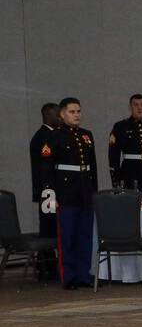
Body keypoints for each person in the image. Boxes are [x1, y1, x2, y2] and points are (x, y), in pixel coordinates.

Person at [39, 97, 99, 289]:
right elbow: (46, 168)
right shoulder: (54, 136)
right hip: (66, 193)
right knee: (67, 237)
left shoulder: (86, 135)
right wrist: (50, 195)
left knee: (85, 235)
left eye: (78, 111)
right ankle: (69, 276)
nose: (76, 115)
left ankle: (83, 274)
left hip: (84, 191)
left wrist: (93, 192)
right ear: (62, 114)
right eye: (72, 112)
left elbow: (93, 168)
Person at [28, 102, 60, 280]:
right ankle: (46, 266)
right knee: (48, 228)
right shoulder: (43, 137)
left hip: (50, 191)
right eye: (57, 114)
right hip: (48, 192)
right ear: (48, 115)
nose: (60, 117)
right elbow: (44, 169)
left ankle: (49, 264)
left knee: (52, 227)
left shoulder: (51, 135)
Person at [108, 94, 142, 195]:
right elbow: (114, 155)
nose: (139, 108)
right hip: (129, 172)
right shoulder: (121, 126)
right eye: (136, 105)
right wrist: (116, 181)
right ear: (130, 107)